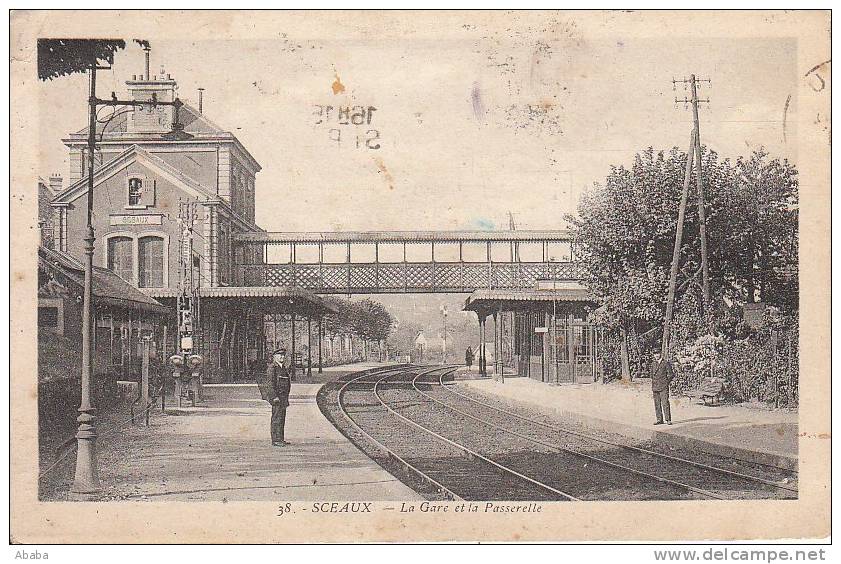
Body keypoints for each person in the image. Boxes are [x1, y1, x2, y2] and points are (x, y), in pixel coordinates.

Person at [263, 348, 293, 446]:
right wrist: (274, 396)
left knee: (282, 418)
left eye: (283, 355)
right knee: (276, 418)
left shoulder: (282, 367)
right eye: (279, 355)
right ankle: (276, 440)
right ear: (274, 357)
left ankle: (280, 438)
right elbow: (270, 384)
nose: (282, 357)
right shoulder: (272, 368)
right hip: (277, 398)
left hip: (283, 397)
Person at [651, 351, 675, 425]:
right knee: (657, 404)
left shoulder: (665, 363)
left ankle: (668, 419)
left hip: (663, 386)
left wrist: (666, 382)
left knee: (665, 403)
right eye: (655, 354)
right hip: (655, 386)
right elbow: (651, 374)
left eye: (657, 353)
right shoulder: (653, 363)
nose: (656, 355)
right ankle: (659, 419)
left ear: (660, 354)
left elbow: (671, 374)